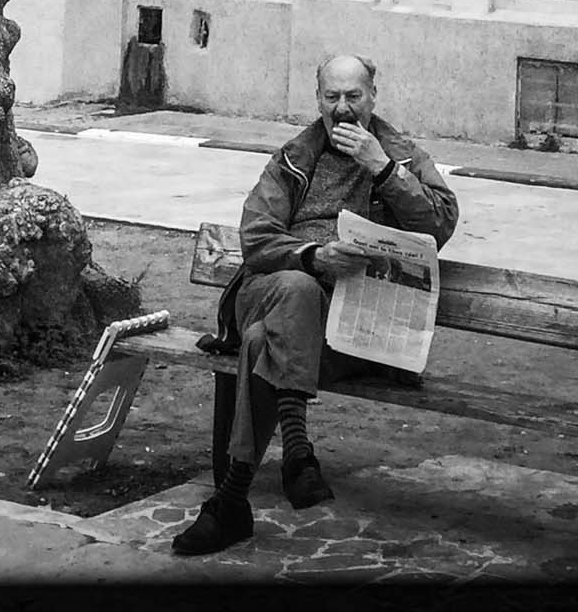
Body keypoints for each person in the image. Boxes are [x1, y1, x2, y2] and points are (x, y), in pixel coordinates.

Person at [172, 52, 459, 557]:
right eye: (333, 97)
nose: (343, 109)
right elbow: (257, 239)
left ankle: (232, 501)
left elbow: (439, 227)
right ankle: (297, 453)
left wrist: (385, 170)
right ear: (318, 99)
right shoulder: (295, 156)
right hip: (277, 290)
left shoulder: (402, 156)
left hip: (352, 330)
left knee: (264, 343)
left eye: (354, 96)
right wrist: (312, 255)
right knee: (297, 291)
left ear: (373, 96)